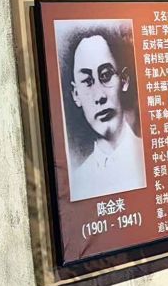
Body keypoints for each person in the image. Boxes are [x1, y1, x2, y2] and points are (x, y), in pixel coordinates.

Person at [63, 25, 147, 200]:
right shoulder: (78, 181)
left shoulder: (150, 156)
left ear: (124, 80)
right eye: (87, 81)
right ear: (76, 95)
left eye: (106, 75)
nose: (99, 96)